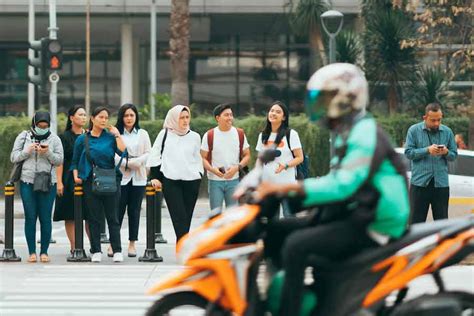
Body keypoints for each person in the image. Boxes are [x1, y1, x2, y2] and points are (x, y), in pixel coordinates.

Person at [253, 63, 410, 316]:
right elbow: (338, 182)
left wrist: (292, 189)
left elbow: (345, 183)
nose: (320, 107)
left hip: (375, 222)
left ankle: (289, 310)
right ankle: (289, 297)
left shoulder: (364, 132)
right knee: (275, 230)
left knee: (296, 245)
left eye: (326, 100)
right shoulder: (345, 132)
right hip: (356, 212)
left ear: (346, 100)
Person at [71, 106, 126, 263]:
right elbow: (74, 162)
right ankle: (96, 250)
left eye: (106, 117)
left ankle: (117, 250)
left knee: (113, 217)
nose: (104, 120)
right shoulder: (83, 139)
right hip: (90, 181)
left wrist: (117, 135)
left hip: (110, 179)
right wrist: (76, 177)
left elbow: (123, 152)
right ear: (93, 119)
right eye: (101, 117)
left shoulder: (110, 137)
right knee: (94, 218)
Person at [10, 111, 64, 263]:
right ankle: (32, 252)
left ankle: (44, 252)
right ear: (34, 124)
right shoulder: (24, 136)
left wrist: (47, 153)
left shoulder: (55, 139)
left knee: (46, 218)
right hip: (27, 182)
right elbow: (14, 157)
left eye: (45, 126)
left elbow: (59, 160)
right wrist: (27, 151)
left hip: (48, 183)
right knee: (30, 217)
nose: (43, 128)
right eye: (40, 126)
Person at [147, 105, 203, 242]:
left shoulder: (195, 137)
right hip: (171, 181)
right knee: (178, 216)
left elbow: (197, 158)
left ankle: (182, 245)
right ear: (173, 119)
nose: (185, 121)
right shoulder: (165, 134)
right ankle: (184, 245)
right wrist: (155, 177)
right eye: (181, 118)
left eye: (187, 117)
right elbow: (155, 155)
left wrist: (199, 173)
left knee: (187, 216)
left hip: (192, 181)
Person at [405, 103, 457, 223]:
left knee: (442, 223)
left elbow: (454, 156)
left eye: (439, 119)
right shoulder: (413, 130)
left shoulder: (448, 132)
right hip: (419, 184)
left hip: (441, 185)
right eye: (433, 120)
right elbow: (408, 153)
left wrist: (446, 152)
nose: (436, 123)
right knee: (415, 223)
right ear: (425, 118)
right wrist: (427, 150)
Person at [255, 101, 304, 217]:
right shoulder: (263, 135)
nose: (273, 113)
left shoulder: (291, 134)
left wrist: (285, 166)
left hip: (287, 186)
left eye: (278, 112)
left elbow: (299, 157)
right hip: (269, 187)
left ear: (284, 117)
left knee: (289, 217)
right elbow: (259, 159)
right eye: (272, 111)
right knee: (272, 220)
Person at [115, 103, 151, 257]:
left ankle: (132, 243)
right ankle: (113, 243)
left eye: (131, 115)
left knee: (134, 211)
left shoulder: (142, 133)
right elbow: (113, 154)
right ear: (121, 117)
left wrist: (137, 163)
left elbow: (149, 152)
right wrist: (127, 163)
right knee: (117, 211)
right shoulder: (116, 134)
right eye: (126, 115)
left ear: (136, 117)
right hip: (121, 177)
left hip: (139, 177)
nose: (129, 118)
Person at [53, 105, 90, 254]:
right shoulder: (64, 137)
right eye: (80, 114)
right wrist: (59, 182)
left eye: (85, 115)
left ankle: (94, 246)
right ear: (71, 118)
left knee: (90, 214)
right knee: (70, 214)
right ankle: (74, 246)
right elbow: (60, 161)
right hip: (68, 179)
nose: (83, 117)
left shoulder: (89, 135)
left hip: (86, 178)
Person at [201, 103, 250, 211]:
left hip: (234, 180)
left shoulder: (239, 133)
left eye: (231, 115)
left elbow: (247, 155)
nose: (230, 118)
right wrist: (212, 169)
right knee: (215, 215)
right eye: (226, 115)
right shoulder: (209, 135)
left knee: (232, 216)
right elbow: (203, 158)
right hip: (214, 181)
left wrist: (237, 168)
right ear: (217, 118)